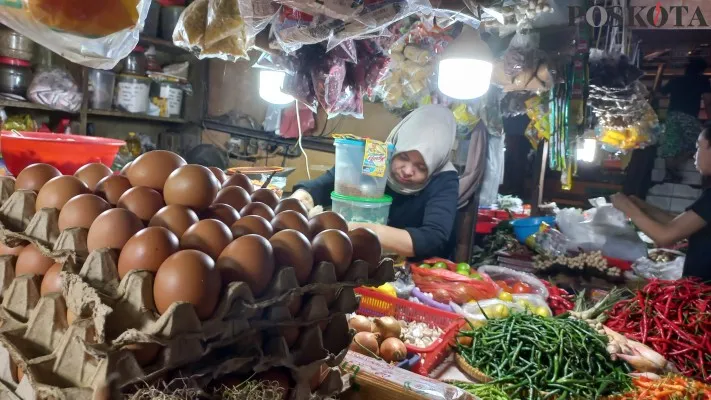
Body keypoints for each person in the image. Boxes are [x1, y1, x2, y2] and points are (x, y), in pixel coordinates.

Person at [291, 104, 459, 259]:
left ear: (435, 165)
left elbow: (433, 239)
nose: (407, 171)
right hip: (361, 254)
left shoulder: (443, 179)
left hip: (412, 267)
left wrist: (357, 228)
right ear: (396, 145)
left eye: (421, 167)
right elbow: (327, 184)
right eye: (403, 157)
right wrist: (301, 199)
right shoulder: (379, 155)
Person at [611, 126, 711, 281]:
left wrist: (627, 207)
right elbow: (678, 224)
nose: (694, 156)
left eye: (698, 147)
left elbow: (664, 237)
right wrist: (644, 207)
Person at [659, 57, 711, 182]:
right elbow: (708, 101)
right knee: (696, 145)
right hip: (689, 116)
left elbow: (659, 94)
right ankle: (673, 169)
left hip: (671, 115)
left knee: (670, 145)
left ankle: (670, 174)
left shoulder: (676, 80)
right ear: (701, 70)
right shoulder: (703, 80)